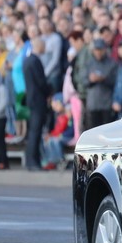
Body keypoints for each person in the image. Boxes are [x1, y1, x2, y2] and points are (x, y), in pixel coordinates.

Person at [22, 37, 50, 170]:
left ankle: (31, 161)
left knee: (33, 131)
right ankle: (33, 162)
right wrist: (49, 90)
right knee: (35, 131)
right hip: (38, 100)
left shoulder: (28, 60)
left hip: (32, 99)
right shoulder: (35, 61)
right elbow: (41, 82)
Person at [85, 39, 118, 129]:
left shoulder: (112, 63)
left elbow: (115, 81)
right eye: (96, 50)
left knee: (107, 130)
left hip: (106, 103)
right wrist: (90, 80)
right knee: (93, 130)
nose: (98, 52)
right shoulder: (89, 63)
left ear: (104, 50)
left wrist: (103, 79)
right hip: (93, 103)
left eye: (100, 50)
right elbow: (83, 81)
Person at [43, 93, 72, 170]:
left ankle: (61, 160)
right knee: (48, 139)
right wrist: (51, 134)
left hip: (67, 136)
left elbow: (70, 130)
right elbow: (57, 129)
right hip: (61, 135)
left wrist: (59, 135)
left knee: (54, 140)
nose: (54, 107)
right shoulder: (59, 115)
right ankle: (51, 161)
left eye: (56, 104)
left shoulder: (68, 114)